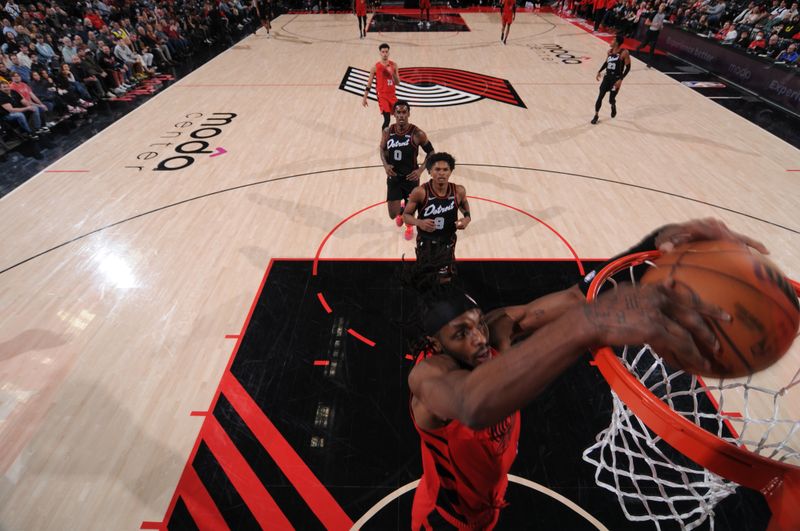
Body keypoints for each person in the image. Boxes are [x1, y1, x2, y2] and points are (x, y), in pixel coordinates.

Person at [407, 218, 769, 530]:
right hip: (445, 521)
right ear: (435, 345)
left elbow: (576, 298)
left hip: (490, 502)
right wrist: (587, 325)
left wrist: (656, 244)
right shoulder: (429, 381)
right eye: (460, 334)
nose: (478, 339)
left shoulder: (497, 328)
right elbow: (472, 402)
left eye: (476, 324)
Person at [403, 152, 469, 281]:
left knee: (445, 277)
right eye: (437, 169)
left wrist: (467, 218)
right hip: (426, 240)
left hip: (447, 239)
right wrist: (419, 222)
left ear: (451, 171)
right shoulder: (420, 192)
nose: (441, 173)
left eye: (445, 169)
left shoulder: (459, 191)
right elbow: (406, 215)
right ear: (429, 171)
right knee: (424, 275)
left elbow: (464, 203)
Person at [381, 100, 434, 240]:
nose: (401, 115)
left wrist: (421, 170)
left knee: (411, 212)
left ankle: (409, 227)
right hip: (394, 177)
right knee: (393, 214)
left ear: (409, 114)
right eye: (398, 112)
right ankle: (401, 211)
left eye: (404, 112)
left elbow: (431, 152)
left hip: (411, 177)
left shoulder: (417, 133)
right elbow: (382, 148)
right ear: (394, 114)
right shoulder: (387, 132)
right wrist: (386, 165)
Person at [591, 33, 631, 124]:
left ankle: (613, 105)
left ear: (617, 43)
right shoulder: (609, 51)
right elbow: (606, 63)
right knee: (600, 96)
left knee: (611, 99)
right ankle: (596, 115)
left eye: (613, 40)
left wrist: (621, 79)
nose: (611, 41)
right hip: (607, 78)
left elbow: (628, 68)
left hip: (615, 80)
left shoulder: (624, 52)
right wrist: (599, 71)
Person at [362, 42, 400, 131]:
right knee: (387, 119)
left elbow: (397, 82)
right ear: (380, 53)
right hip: (382, 96)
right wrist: (364, 98)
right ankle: (384, 142)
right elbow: (369, 84)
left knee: (400, 117)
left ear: (389, 53)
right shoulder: (375, 67)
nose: (385, 54)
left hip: (392, 95)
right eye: (383, 52)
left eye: (386, 52)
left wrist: (392, 73)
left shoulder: (394, 65)